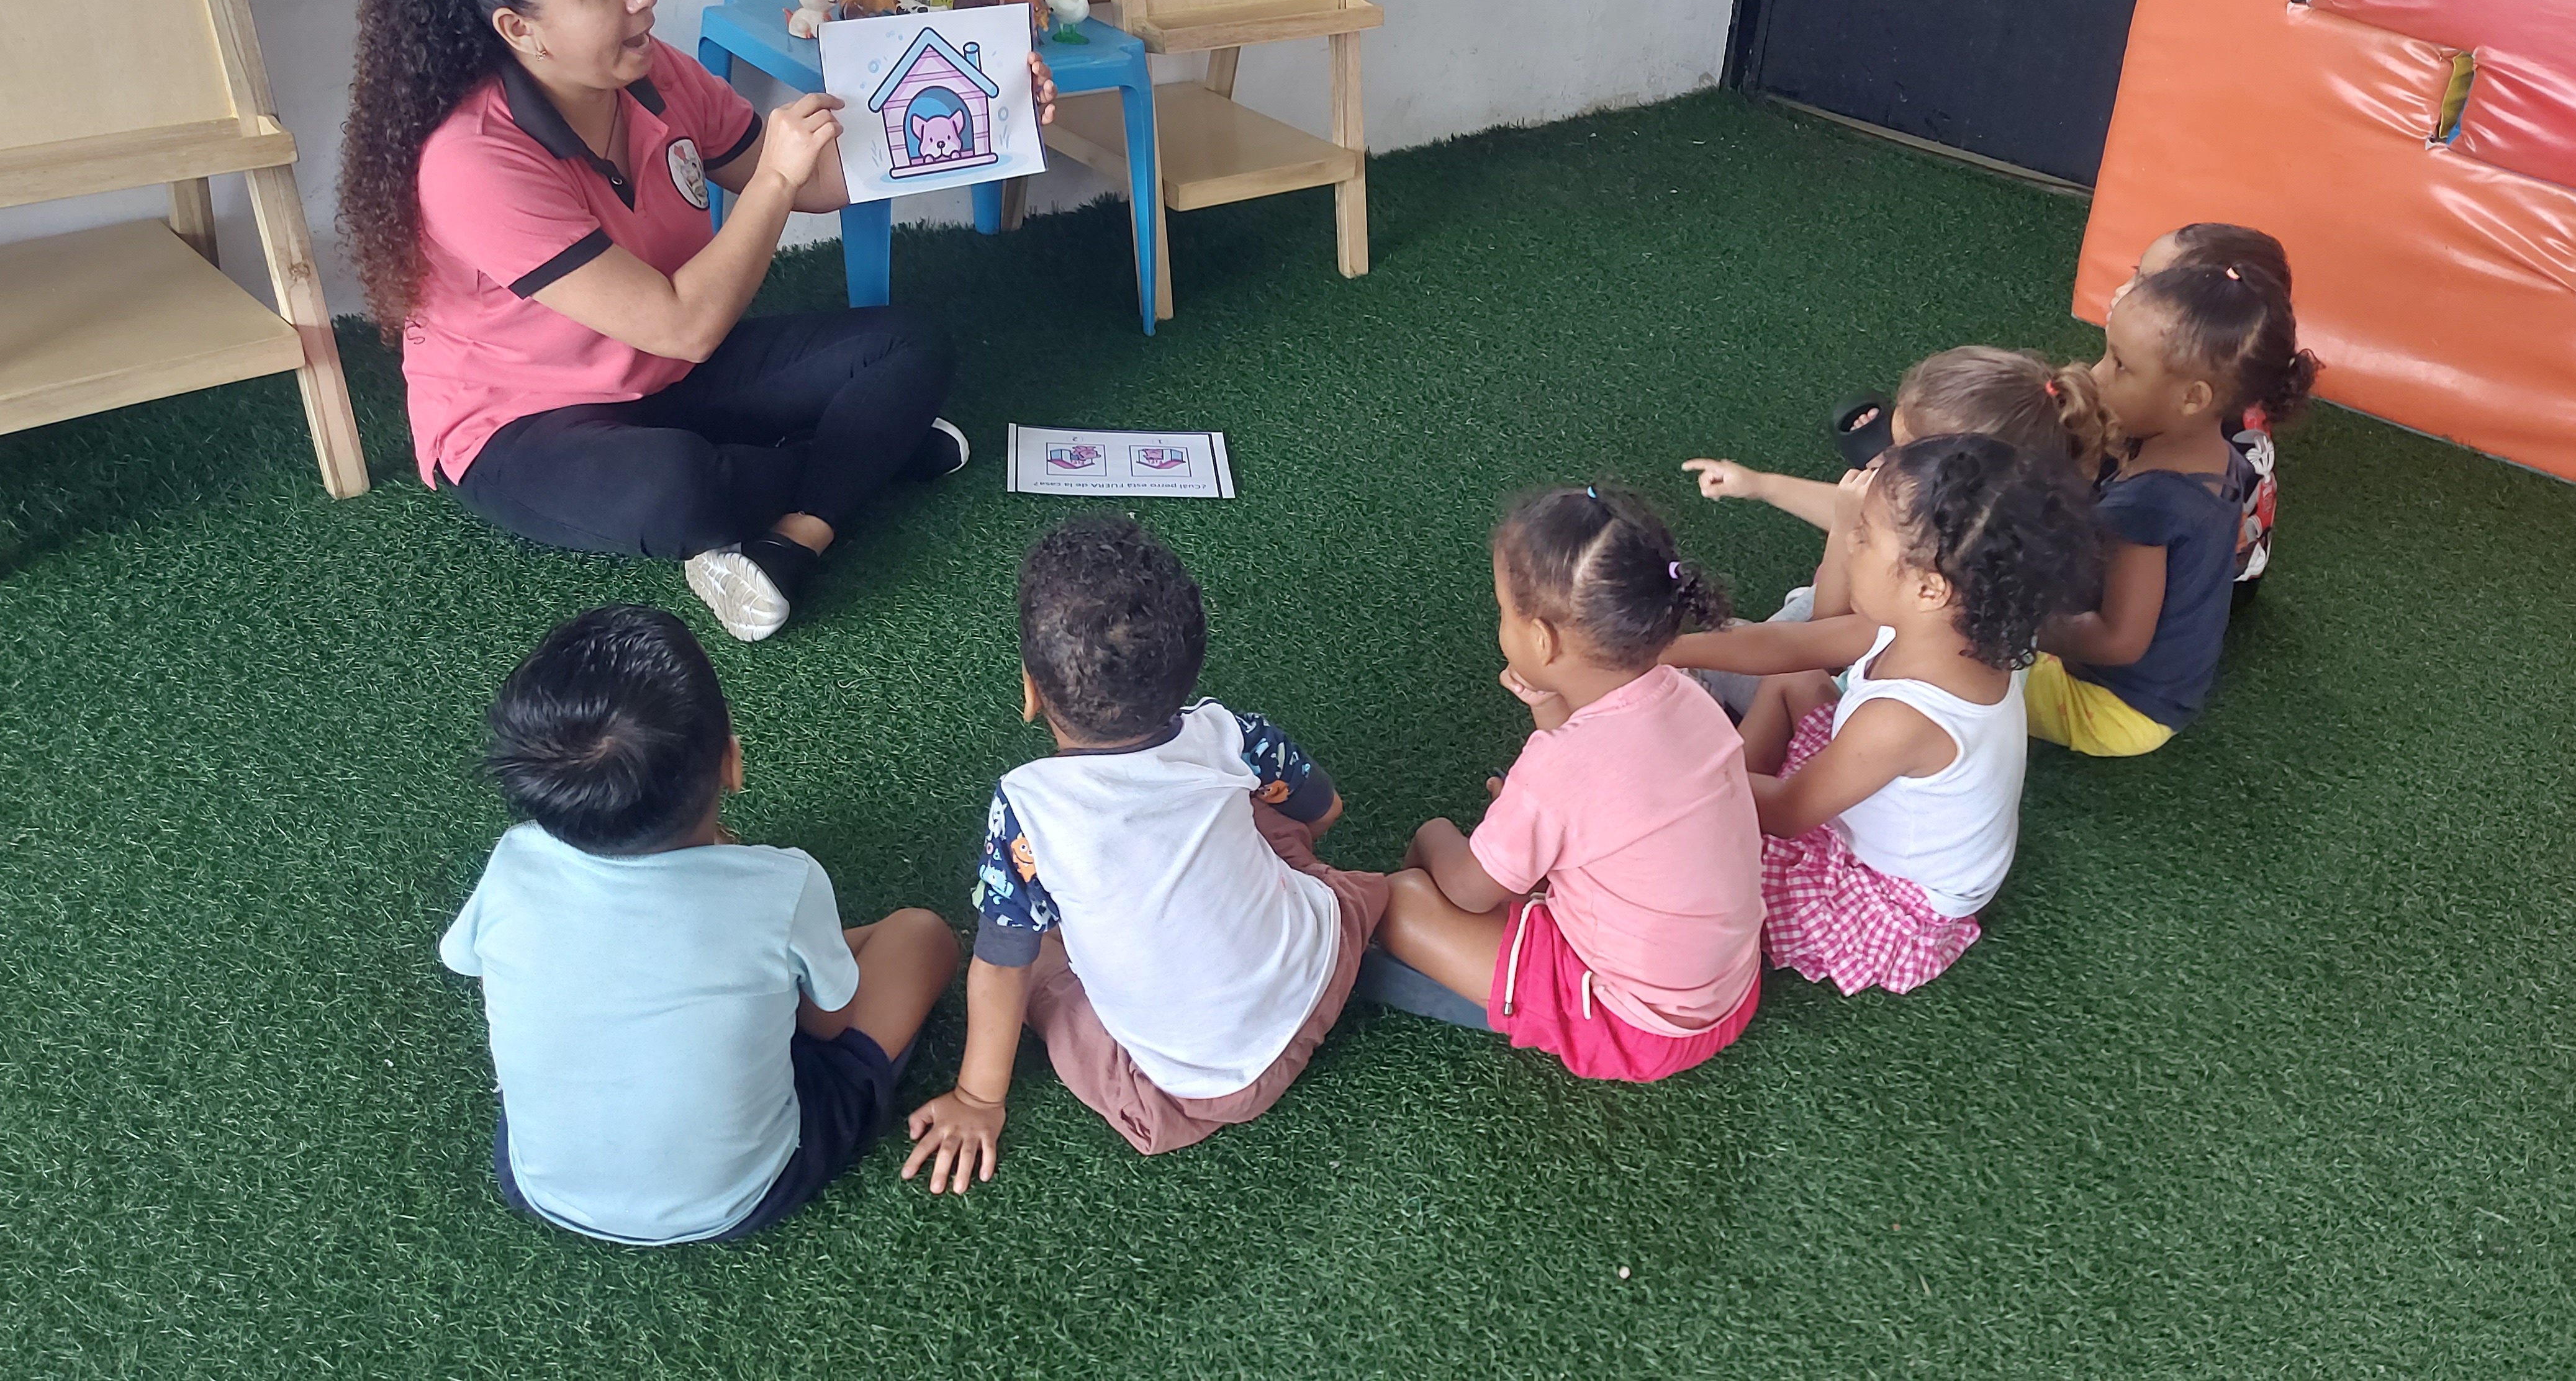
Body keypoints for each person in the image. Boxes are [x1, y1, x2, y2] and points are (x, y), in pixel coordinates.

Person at [338, 0, 1056, 641]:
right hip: (527, 423)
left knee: (907, 343)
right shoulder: (473, 158)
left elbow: (816, 181)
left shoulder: (658, 75)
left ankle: (795, 538)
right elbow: (685, 324)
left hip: (666, 374)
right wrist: (773, 181)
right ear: (520, 29)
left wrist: (996, 118)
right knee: (680, 493)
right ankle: (858, 454)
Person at [438, 605, 959, 1244]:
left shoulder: (514, 862)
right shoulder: (784, 885)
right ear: (731, 763)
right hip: (743, 1193)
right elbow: (825, 1025)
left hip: (539, 1181)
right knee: (922, 935)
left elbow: (471, 963)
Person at [900, 516, 1388, 1191]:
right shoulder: (1230, 735)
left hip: (1194, 1092)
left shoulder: (1027, 807)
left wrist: (979, 1099)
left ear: (1031, 690)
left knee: (1035, 964)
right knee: (1253, 811)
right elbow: (1324, 811)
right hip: (1325, 968)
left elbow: (1002, 966)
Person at [1663, 436, 2099, 994]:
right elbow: (1795, 648)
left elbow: (1788, 814)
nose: (1849, 542)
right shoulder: (1952, 629)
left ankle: (1710, 785)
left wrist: (1678, 778)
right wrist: (1671, 650)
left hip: (1889, 897)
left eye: (1864, 536)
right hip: (1873, 805)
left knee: (1688, 851)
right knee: (1796, 680)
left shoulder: (1905, 717)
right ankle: (1722, 780)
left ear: (1928, 588)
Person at [1369, 485, 1764, 1082]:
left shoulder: (1559, 768)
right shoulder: (1688, 696)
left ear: (1541, 640)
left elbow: (1472, 891)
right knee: (1515, 855)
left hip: (1637, 1029)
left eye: (1504, 611)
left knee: (1403, 894)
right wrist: (1547, 707)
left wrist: (1439, 839)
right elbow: (1604, 781)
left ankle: (1442, 980)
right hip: (1727, 994)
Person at [1681, 344, 2113, 711]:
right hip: (1855, 633)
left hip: (1838, 688)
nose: (1883, 461)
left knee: (1717, 656)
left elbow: (1820, 644)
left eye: (1904, 453)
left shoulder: (1926, 605)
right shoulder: (1987, 553)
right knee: (1741, 637)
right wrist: (1761, 485)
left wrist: (1844, 534)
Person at [2028, 258, 2320, 755]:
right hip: (2168, 690)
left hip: (2115, 711)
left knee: (1951, 636)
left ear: (2192, 398)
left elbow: (2119, 641)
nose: (2097, 375)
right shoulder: (2215, 454)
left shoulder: (2150, 504)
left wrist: (2026, 627)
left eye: (2120, 365)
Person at [2108, 223, 2295, 601]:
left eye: (2149, 286)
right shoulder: (2230, 382)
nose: (2123, 292)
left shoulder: (2185, 428)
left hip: (2206, 588)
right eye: (2136, 275)